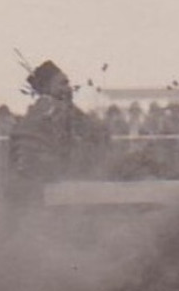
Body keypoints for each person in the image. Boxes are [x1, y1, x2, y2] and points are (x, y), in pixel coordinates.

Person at [7, 60, 106, 204]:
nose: (69, 88)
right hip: (44, 185)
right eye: (63, 84)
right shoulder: (54, 109)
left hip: (34, 183)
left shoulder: (46, 109)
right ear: (47, 87)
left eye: (68, 83)